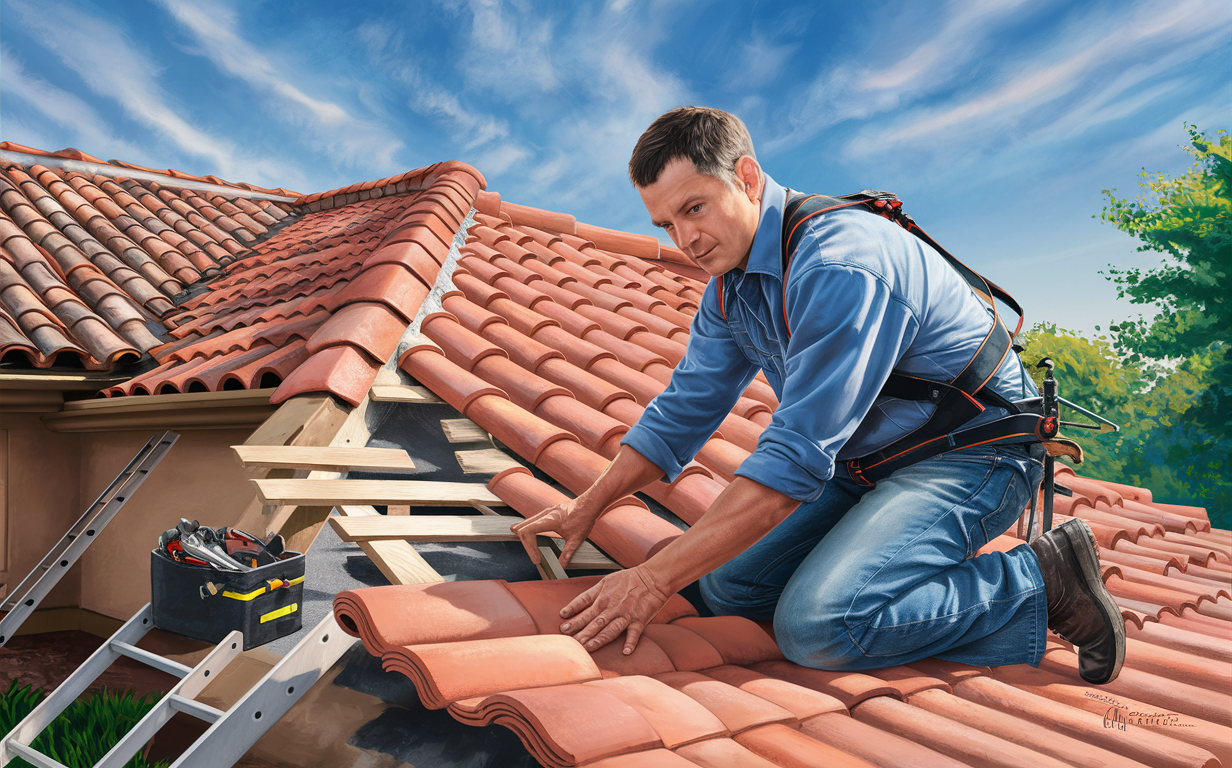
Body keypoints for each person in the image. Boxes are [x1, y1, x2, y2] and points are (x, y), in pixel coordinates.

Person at [512, 106, 1125, 685]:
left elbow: (792, 461)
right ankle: (868, 579)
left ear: (746, 179)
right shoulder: (730, 289)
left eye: (695, 208)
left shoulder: (839, 265)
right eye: (666, 224)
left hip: (971, 454)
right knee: (729, 591)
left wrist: (649, 582)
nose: (685, 240)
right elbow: (681, 412)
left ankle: (1040, 580)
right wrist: (587, 505)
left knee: (819, 627)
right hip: (864, 462)